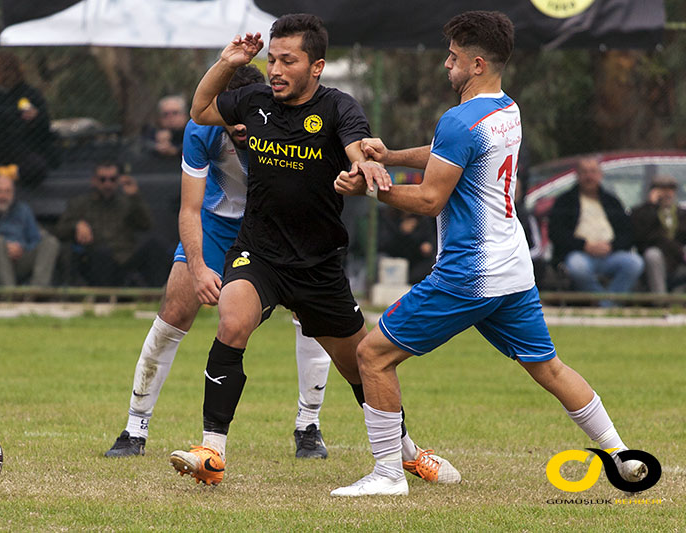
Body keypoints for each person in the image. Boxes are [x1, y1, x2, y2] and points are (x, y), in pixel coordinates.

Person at [331, 11, 646, 497]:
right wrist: (389, 157)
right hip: (513, 269)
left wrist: (371, 190)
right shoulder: (506, 110)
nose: (445, 65)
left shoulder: (460, 119)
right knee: (550, 368)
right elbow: (446, 151)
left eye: (453, 59)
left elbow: (431, 198)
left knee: (372, 355)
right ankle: (623, 458)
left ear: (477, 64)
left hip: (468, 274)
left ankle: (389, 475)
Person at [169, 13, 458, 487]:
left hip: (319, 266)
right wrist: (228, 62)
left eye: (288, 60)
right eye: (271, 59)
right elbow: (200, 110)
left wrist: (362, 170)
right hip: (258, 253)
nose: (276, 69)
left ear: (317, 66)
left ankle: (406, 450)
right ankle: (211, 451)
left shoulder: (339, 107)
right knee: (233, 318)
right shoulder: (253, 98)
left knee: (362, 365)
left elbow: (357, 147)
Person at [104, 66, 334, 460]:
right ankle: (134, 428)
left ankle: (308, 426)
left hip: (277, 225)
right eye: (230, 115)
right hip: (214, 224)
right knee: (174, 310)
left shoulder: (286, 126)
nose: (239, 124)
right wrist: (197, 266)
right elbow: (190, 208)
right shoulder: (201, 129)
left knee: (310, 313)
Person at [548, 157, 644, 306]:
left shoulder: (612, 201)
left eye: (593, 172)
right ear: (578, 175)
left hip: (610, 254)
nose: (589, 176)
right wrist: (584, 245)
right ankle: (606, 304)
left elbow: (627, 232)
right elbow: (556, 233)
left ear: (600, 175)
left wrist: (611, 246)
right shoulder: (565, 201)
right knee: (577, 267)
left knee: (634, 263)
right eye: (584, 172)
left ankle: (607, 304)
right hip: (580, 254)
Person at [54, 161, 153, 287]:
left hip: (126, 257)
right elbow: (59, 231)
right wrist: (76, 225)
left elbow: (146, 225)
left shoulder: (127, 202)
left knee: (154, 246)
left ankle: (157, 297)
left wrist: (135, 197)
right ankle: (103, 299)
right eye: (102, 179)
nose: (107, 184)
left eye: (112, 179)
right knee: (102, 253)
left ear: (118, 181)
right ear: (94, 181)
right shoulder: (80, 203)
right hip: (95, 258)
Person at [0, 50, 53, 187]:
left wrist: (36, 117)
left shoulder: (30, 94)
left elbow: (45, 125)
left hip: (22, 148)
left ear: (5, 72)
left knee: (37, 168)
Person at [0, 173, 59, 287]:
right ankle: (10, 294)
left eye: (8, 192)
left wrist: (21, 248)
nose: (3, 196)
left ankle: (36, 292)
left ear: (13, 193)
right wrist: (1, 247)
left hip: (19, 257)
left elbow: (35, 239)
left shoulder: (23, 210)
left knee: (51, 242)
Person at [630, 174, 686, 293]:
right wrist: (652, 206)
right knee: (653, 254)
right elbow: (645, 237)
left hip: (678, 262)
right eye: (662, 189)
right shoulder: (641, 212)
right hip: (654, 263)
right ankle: (660, 300)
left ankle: (678, 303)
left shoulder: (682, 214)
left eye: (670, 190)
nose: (666, 194)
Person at [378, 207, 436, 283]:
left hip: (416, 259)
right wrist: (401, 231)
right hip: (394, 257)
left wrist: (427, 245)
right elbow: (383, 244)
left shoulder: (423, 219)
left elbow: (429, 239)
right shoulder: (388, 218)